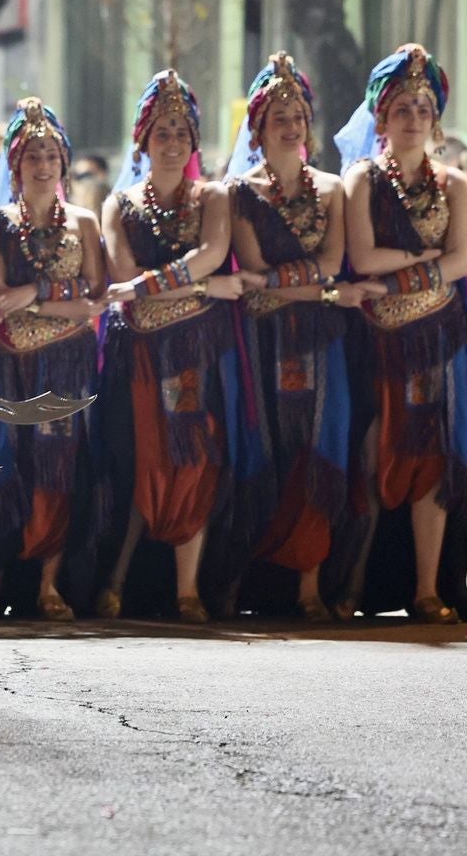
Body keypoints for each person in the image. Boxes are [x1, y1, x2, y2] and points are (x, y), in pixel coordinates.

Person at [95, 70, 264, 622]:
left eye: (181, 133)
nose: (172, 143)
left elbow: (212, 255)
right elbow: (120, 269)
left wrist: (155, 288)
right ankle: (117, 580)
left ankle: (189, 587)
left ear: (194, 142)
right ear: (143, 140)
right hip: (139, 353)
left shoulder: (214, 196)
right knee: (139, 459)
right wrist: (198, 288)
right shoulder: (118, 203)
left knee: (195, 456)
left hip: (195, 350)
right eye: (162, 132)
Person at [332, 43, 467, 624]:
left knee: (433, 457)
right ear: (382, 119)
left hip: (436, 339)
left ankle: (426, 588)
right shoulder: (361, 180)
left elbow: (462, 262)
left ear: (435, 117)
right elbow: (363, 258)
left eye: (423, 107)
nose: (414, 118)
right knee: (370, 454)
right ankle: (354, 581)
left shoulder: (457, 185)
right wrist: (424, 259)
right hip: (373, 340)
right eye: (402, 109)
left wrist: (406, 267)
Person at [227, 53, 375, 620]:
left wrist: (297, 288)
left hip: (323, 341)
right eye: (278, 118)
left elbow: (330, 263)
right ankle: (258, 584)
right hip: (263, 342)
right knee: (269, 451)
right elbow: (252, 277)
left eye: (298, 116)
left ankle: (312, 584)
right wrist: (323, 290)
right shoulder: (240, 193)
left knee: (322, 450)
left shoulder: (335, 189)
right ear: (259, 129)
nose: (290, 126)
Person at [0, 98, 103, 621]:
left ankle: (50, 584)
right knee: (7, 463)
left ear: (65, 162)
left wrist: (36, 296)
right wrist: (51, 296)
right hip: (10, 360)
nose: (43, 165)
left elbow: (95, 295)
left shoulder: (85, 222)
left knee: (59, 464)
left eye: (51, 155)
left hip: (68, 360)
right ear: (15, 165)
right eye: (32, 157)